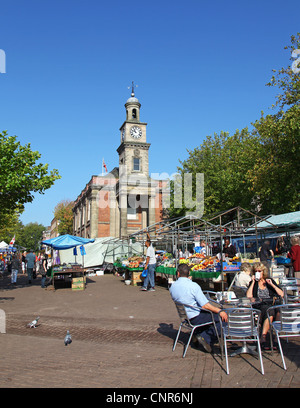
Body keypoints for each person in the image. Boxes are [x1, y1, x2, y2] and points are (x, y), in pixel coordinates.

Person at [169, 263, 228, 353]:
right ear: (189, 274)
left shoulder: (173, 287)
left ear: (178, 274)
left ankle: (197, 333)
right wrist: (220, 311)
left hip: (185, 317)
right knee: (223, 319)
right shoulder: (193, 286)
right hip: (195, 316)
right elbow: (205, 305)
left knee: (210, 317)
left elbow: (183, 297)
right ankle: (205, 337)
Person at [246, 262, 283, 350]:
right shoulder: (253, 283)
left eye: (260, 271)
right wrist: (253, 282)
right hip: (259, 305)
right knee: (269, 310)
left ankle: (275, 338)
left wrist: (272, 285)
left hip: (271, 303)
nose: (258, 273)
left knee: (278, 309)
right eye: (256, 271)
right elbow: (248, 296)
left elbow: (281, 294)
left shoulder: (269, 281)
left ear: (263, 272)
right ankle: (263, 338)